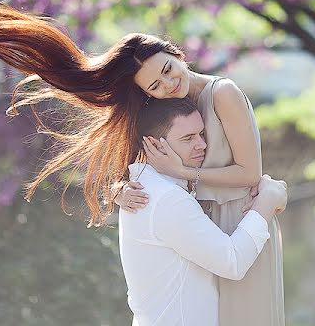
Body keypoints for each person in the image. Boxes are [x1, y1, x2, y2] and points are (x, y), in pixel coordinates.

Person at [0, 0, 285, 324]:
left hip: (241, 216)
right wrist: (120, 186)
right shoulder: (163, 112)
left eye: (168, 69)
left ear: (177, 53)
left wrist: (183, 171)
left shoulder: (222, 93)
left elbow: (249, 172)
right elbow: (146, 161)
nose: (168, 83)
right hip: (204, 225)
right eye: (155, 85)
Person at [121, 96, 288, 326]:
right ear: (155, 145)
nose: (202, 145)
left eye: (201, 134)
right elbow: (233, 262)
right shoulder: (165, 198)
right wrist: (268, 199)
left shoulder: (148, 186)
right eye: (188, 138)